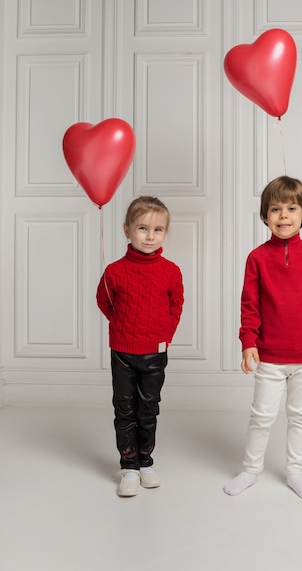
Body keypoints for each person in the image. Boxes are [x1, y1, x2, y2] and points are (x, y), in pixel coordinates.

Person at [224, 176, 302, 500]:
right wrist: (248, 342)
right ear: (264, 216)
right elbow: (250, 304)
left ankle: (296, 472)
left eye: (291, 208)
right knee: (262, 416)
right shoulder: (257, 258)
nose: (283, 215)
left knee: (300, 416)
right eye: (275, 209)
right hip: (269, 356)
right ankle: (250, 469)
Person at [97, 196, 184, 497]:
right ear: (127, 230)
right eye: (143, 228)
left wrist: (164, 336)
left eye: (158, 230)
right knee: (125, 409)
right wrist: (123, 327)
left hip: (155, 352)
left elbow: (176, 306)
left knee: (148, 409)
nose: (150, 236)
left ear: (164, 233)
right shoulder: (115, 271)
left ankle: (146, 462)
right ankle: (128, 466)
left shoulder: (170, 271)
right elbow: (105, 301)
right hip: (122, 352)